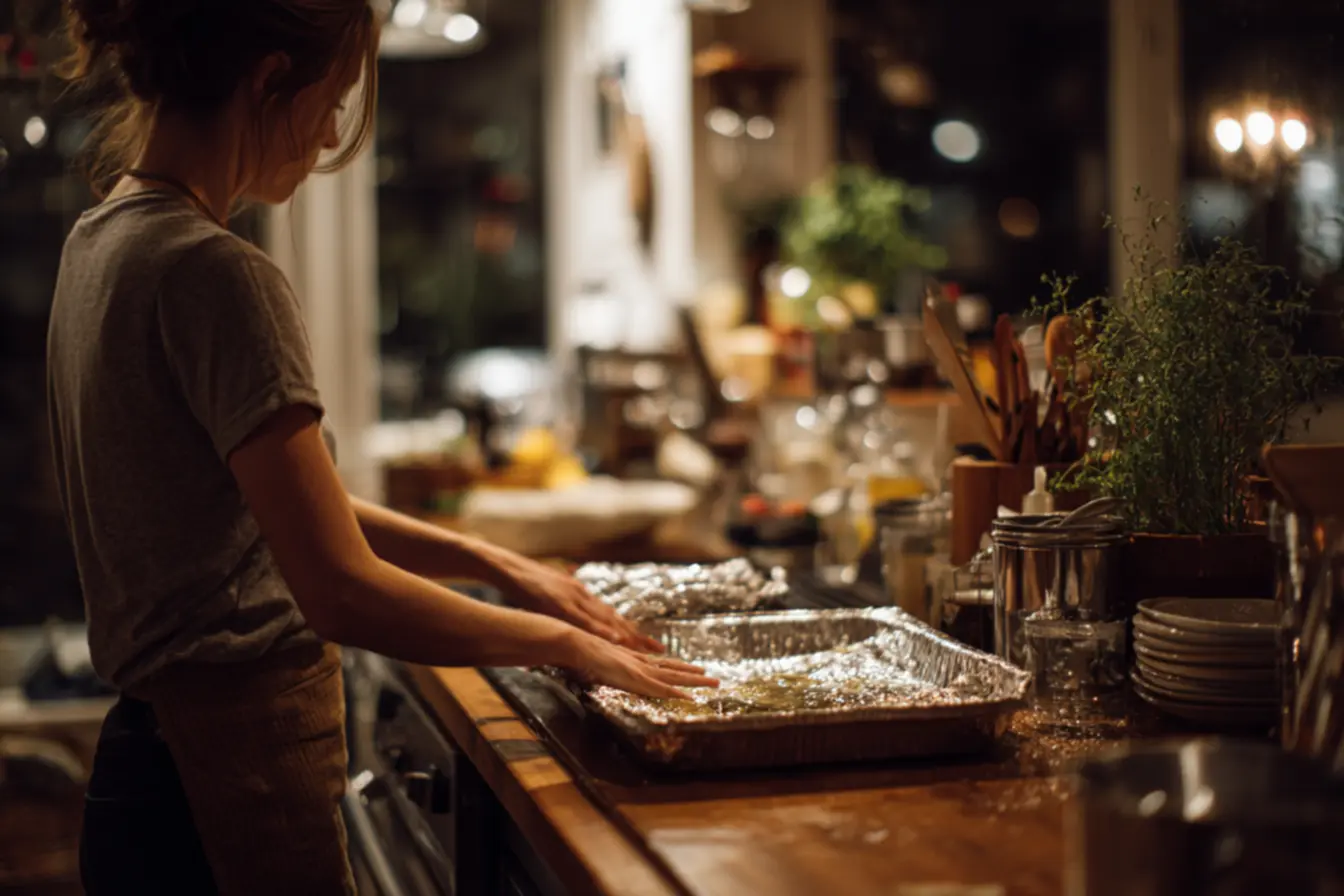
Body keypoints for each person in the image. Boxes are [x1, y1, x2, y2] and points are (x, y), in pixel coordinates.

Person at [46, 2, 717, 893]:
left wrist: (497, 564)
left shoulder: (100, 241)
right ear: (269, 79)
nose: (330, 135)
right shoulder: (216, 272)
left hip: (144, 774)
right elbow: (341, 591)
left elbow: (274, 514)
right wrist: (565, 645)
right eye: (331, 102)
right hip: (228, 779)